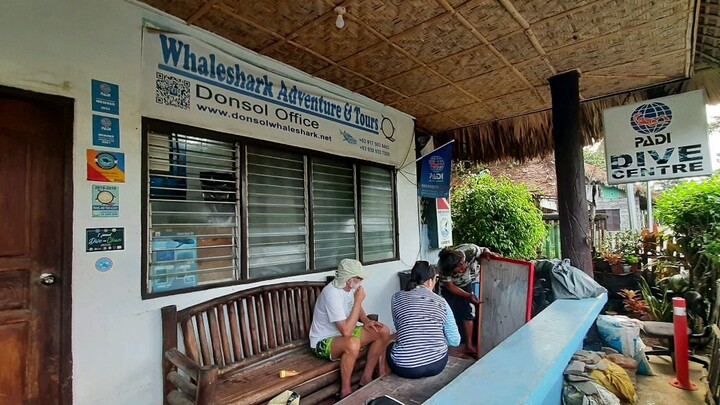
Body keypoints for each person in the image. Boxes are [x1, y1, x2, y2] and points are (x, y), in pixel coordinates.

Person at [309, 259, 391, 399]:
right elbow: (346, 332)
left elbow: (355, 308)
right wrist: (359, 300)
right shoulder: (332, 294)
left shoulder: (349, 289)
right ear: (348, 280)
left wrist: (366, 321)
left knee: (382, 331)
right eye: (359, 278)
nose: (361, 280)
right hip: (323, 341)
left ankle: (366, 378)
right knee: (352, 343)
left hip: (343, 335)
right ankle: (345, 391)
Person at [388, 261, 460, 379]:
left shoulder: (396, 298)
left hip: (405, 368)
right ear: (430, 281)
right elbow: (455, 341)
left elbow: (399, 327)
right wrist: (435, 338)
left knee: (389, 346)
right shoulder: (441, 302)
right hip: (437, 365)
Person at [437, 244, 499, 356]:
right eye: (458, 271)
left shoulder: (470, 250)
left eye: (462, 267)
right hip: (447, 289)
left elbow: (483, 250)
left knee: (468, 313)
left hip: (466, 284)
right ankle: (442, 346)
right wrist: (468, 296)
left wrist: (488, 253)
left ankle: (469, 346)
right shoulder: (443, 266)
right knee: (444, 315)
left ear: (463, 261)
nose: (462, 270)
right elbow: (450, 286)